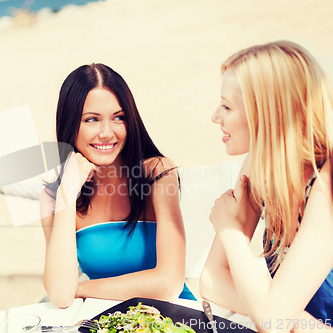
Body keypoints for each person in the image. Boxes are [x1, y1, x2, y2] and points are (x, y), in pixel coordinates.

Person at [200, 40, 333, 332]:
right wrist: (302, 323)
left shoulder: (327, 180)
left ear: (268, 114)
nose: (215, 116)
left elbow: (273, 322)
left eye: (227, 105)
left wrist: (231, 231)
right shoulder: (259, 166)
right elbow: (211, 281)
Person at [40, 63, 195, 308]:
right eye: (92, 119)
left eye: (118, 118)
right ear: (70, 124)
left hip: (173, 317)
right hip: (105, 321)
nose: (107, 133)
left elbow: (169, 284)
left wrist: (81, 289)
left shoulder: (155, 173)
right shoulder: (54, 196)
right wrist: (67, 193)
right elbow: (60, 294)